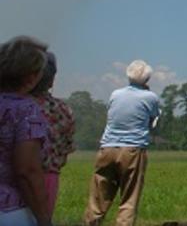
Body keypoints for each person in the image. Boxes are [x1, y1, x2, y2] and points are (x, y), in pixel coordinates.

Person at [84, 60, 161, 226]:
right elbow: (153, 119)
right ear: (147, 79)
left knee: (98, 197)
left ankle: (91, 222)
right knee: (129, 198)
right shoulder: (151, 97)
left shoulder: (115, 94)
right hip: (133, 150)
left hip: (107, 147)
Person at [0, 36, 52, 226]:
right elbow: (27, 170)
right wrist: (44, 218)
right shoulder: (25, 110)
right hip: (9, 210)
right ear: (31, 77)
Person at [30, 51, 73, 218]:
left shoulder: (12, 106)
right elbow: (65, 150)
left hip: (13, 179)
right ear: (52, 80)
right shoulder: (63, 109)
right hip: (49, 177)